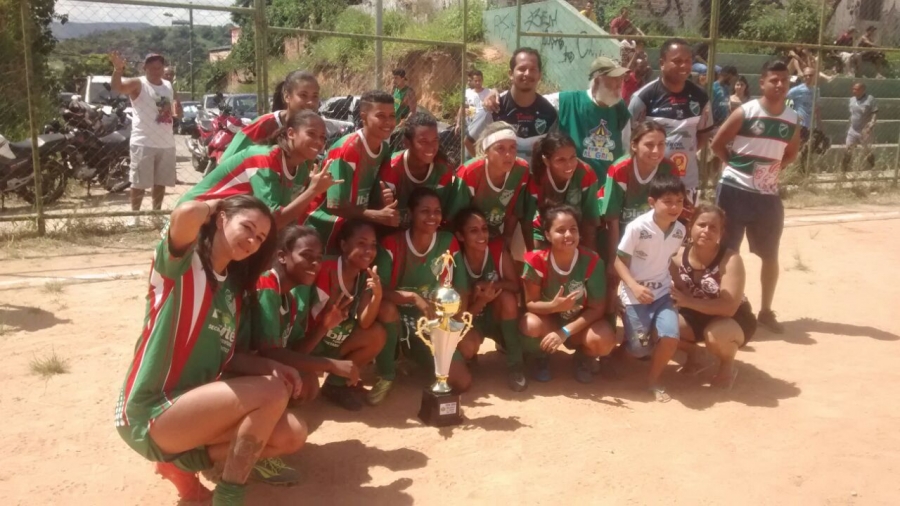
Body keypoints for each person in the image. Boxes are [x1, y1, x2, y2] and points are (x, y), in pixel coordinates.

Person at [115, 195, 308, 504]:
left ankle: (177, 462)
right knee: (271, 393)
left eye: (260, 238)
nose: (252, 240)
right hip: (150, 412)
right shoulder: (182, 265)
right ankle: (228, 498)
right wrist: (216, 204)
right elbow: (186, 214)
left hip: (191, 413)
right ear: (221, 219)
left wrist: (274, 368)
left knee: (291, 433)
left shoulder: (233, 293)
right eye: (246, 227)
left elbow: (231, 358)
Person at [711, 60, 800, 334]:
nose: (779, 85)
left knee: (770, 255)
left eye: (784, 80)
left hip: (767, 196)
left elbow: (792, 153)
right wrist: (737, 168)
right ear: (762, 83)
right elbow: (717, 145)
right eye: (774, 80)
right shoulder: (746, 111)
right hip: (734, 191)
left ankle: (765, 311)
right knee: (727, 252)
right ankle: (725, 307)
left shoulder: (792, 119)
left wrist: (770, 172)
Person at [245, 225, 362, 411]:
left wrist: (324, 326)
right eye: (307, 256)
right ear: (282, 256)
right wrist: (330, 365)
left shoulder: (289, 298)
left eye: (318, 258)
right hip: (239, 367)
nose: (315, 264)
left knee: (309, 385)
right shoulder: (266, 285)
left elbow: (296, 351)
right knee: (300, 385)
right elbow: (271, 352)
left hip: (262, 368)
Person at [371, 188, 466, 404]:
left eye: (437, 211)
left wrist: (454, 330)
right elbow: (378, 291)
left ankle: (415, 355)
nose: (432, 217)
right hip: (396, 318)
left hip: (429, 323)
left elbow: (460, 290)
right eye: (425, 211)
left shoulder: (447, 242)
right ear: (411, 213)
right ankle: (386, 373)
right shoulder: (391, 244)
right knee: (386, 309)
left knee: (462, 382)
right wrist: (413, 297)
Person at [179, 110, 337, 229]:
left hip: (227, 223)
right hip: (195, 217)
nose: (318, 141)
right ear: (291, 133)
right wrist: (313, 191)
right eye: (311, 134)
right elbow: (273, 219)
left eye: (323, 137)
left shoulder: (300, 168)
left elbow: (286, 217)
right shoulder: (265, 159)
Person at [520, 205, 617, 384]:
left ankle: (583, 357)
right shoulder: (535, 261)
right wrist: (554, 306)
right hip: (549, 321)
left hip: (579, 325)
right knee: (529, 324)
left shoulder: (592, 261)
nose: (568, 235)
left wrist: (565, 331)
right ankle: (541, 356)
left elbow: (597, 308)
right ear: (548, 235)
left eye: (573, 229)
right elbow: (530, 303)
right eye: (560, 230)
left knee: (603, 340)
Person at [613, 174, 686, 402]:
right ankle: (615, 357)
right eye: (668, 201)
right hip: (635, 294)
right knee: (639, 349)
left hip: (662, 293)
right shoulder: (637, 227)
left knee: (670, 336)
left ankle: (653, 381)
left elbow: (668, 259)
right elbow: (617, 261)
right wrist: (633, 286)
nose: (675, 207)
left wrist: (680, 284)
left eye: (680, 201)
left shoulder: (680, 231)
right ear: (652, 202)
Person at [303, 221, 387, 411]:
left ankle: (335, 385)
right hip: (309, 343)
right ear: (343, 245)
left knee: (376, 334)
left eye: (373, 245)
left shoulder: (365, 276)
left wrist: (377, 296)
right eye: (362, 243)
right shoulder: (323, 268)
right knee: (306, 393)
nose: (369, 250)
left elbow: (365, 322)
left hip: (336, 340)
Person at [671, 204, 757, 390]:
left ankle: (727, 366)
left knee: (716, 335)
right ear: (690, 226)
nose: (706, 231)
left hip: (732, 318)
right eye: (701, 225)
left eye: (713, 228)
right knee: (661, 326)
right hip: (695, 314)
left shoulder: (730, 259)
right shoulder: (676, 258)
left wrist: (687, 301)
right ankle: (693, 354)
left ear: (721, 232)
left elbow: (729, 307)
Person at [304, 90, 399, 247]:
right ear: (363, 117)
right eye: (381, 116)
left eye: (392, 116)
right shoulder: (347, 149)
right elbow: (335, 205)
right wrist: (377, 215)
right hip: (322, 226)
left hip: (354, 226)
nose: (388, 122)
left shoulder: (384, 148)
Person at [629, 38, 714, 206]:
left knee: (684, 229)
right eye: (677, 61)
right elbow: (630, 139)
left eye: (688, 61)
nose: (684, 66)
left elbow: (703, 135)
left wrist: (683, 149)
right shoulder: (643, 97)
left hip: (687, 182)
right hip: (652, 182)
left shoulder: (700, 97)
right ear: (662, 63)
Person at [452, 208, 525, 391]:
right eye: (473, 231)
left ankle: (515, 365)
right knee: (466, 347)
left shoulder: (496, 249)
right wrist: (480, 301)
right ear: (460, 236)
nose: (482, 235)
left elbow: (515, 285)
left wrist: (489, 285)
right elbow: (459, 318)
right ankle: (469, 359)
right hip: (471, 319)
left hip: (495, 316)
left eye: (484, 229)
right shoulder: (455, 260)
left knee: (508, 299)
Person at [110, 52, 177, 227]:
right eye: (152, 68)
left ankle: (156, 214)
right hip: (143, 141)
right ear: (144, 68)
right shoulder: (138, 83)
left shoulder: (168, 85)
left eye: (159, 67)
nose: (156, 71)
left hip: (166, 142)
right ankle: (135, 217)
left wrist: (176, 111)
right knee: (139, 182)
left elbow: (168, 108)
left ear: (163, 69)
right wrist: (118, 69)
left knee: (160, 182)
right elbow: (118, 87)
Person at [600, 121, 678, 268]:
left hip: (650, 233)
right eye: (649, 145)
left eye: (661, 144)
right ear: (634, 145)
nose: (656, 151)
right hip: (619, 232)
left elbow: (670, 212)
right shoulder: (620, 169)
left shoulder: (669, 169)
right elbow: (612, 219)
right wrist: (614, 261)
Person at [544, 56, 632, 183]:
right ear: (596, 81)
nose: (619, 84)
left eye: (621, 78)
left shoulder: (620, 109)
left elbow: (626, 149)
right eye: (613, 79)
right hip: (571, 185)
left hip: (606, 188)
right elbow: (536, 101)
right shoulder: (569, 102)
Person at [380, 112, 466, 229]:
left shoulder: (443, 169)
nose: (431, 147)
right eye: (423, 142)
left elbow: (439, 215)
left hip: (428, 231)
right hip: (396, 231)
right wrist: (385, 206)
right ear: (407, 142)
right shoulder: (392, 167)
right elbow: (384, 217)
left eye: (435, 140)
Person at [456, 122, 531, 249]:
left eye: (513, 147)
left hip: (495, 232)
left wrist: (507, 238)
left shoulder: (521, 170)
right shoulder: (470, 172)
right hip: (468, 237)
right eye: (500, 148)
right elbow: (456, 216)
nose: (508, 154)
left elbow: (515, 211)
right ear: (486, 151)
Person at [222, 71, 320, 161]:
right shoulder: (264, 124)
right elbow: (226, 162)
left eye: (315, 96)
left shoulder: (316, 128)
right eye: (303, 95)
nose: (310, 102)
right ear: (287, 96)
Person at [527, 132, 600, 252]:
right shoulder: (537, 177)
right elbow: (528, 224)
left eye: (573, 157)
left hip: (576, 232)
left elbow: (590, 221)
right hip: (543, 232)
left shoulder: (585, 173)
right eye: (561, 160)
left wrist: (589, 258)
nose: (569, 165)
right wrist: (533, 258)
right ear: (546, 161)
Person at [486, 48, 559, 159]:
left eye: (533, 69)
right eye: (522, 68)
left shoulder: (550, 112)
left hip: (535, 176)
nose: (527, 74)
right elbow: (470, 141)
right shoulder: (493, 106)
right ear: (511, 74)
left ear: (539, 75)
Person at [841, 82, 878, 172]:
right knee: (848, 150)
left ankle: (874, 168)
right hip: (853, 130)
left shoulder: (870, 99)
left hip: (864, 130)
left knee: (867, 151)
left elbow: (874, 112)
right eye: (853, 89)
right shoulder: (852, 100)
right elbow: (852, 113)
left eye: (856, 89)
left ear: (863, 90)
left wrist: (872, 122)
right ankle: (843, 172)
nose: (854, 91)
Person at [460, 69, 494, 157]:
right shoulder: (467, 93)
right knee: (468, 151)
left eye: (479, 80)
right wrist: (457, 123)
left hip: (484, 126)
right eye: (476, 81)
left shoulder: (489, 92)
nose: (478, 83)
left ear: (482, 80)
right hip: (470, 124)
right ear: (472, 81)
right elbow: (463, 107)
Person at [786, 67, 823, 148]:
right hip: (800, 125)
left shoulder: (816, 90)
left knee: (809, 150)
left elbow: (817, 108)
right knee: (800, 147)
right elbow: (785, 100)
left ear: (815, 76)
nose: (808, 77)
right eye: (806, 75)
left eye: (810, 75)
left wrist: (820, 125)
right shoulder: (797, 90)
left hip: (811, 125)